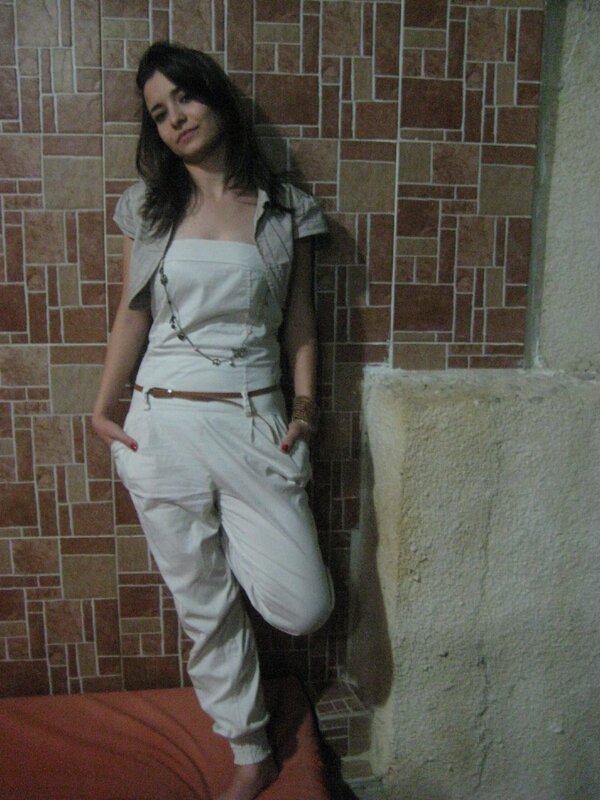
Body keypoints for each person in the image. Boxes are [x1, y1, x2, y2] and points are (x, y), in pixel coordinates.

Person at [91, 41, 333, 800]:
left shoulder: (284, 208)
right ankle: (249, 749)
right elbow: (133, 313)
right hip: (161, 424)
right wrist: (103, 406)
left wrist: (304, 407)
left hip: (253, 420)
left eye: (184, 99)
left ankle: (239, 575)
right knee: (203, 602)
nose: (175, 119)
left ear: (215, 96)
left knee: (304, 605)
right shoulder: (148, 207)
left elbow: (300, 321)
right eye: (158, 113)